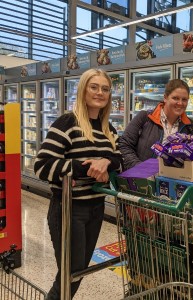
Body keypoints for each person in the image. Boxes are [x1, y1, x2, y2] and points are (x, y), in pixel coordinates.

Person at [34, 68, 122, 299]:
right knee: (70, 275)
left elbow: (119, 159)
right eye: (94, 87)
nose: (100, 92)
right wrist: (88, 168)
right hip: (68, 210)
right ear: (83, 90)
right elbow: (42, 166)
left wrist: (106, 162)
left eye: (105, 89)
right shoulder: (67, 122)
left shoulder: (107, 128)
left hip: (96, 209)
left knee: (77, 273)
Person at [120, 79, 193, 170]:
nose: (180, 103)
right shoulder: (145, 117)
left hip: (173, 181)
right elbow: (124, 145)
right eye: (175, 98)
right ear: (165, 97)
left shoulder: (190, 126)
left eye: (184, 99)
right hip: (142, 180)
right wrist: (140, 168)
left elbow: (189, 157)